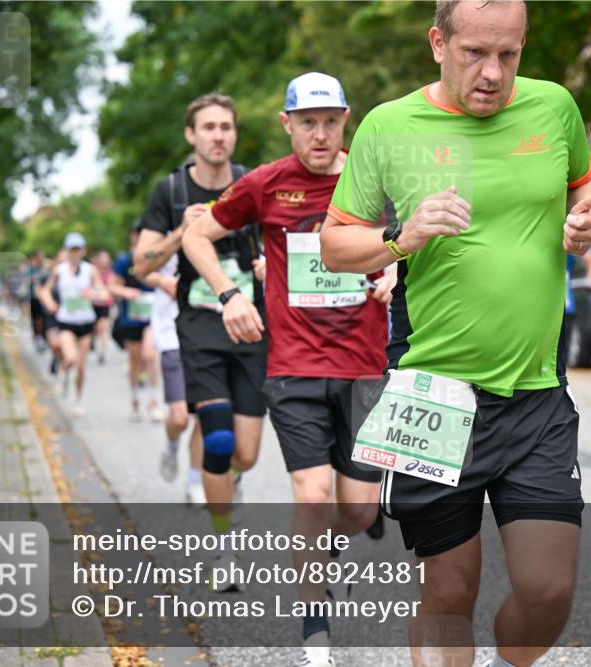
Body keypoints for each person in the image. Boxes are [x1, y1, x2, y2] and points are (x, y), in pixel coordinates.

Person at [319, 2, 591, 665]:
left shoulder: (554, 107)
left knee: (548, 588)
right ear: (438, 43)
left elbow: (586, 183)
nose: (493, 73)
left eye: (509, 54)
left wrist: (585, 218)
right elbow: (335, 245)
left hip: (535, 394)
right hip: (432, 396)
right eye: (475, 52)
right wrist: (401, 237)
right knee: (449, 591)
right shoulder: (389, 128)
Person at [184, 73, 393, 667]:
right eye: (307, 123)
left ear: (346, 119)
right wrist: (230, 295)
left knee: (357, 508)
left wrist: (396, 271)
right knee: (312, 490)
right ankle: (314, 628)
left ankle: (330, 555)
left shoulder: (373, 180)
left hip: (364, 367)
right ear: (287, 124)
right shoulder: (266, 184)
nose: (320, 135)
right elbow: (198, 237)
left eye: (330, 121)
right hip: (294, 366)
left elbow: (420, 242)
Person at [134, 94, 267, 540]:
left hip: (252, 327)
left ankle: (232, 479)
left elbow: (280, 243)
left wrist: (270, 263)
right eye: (208, 127)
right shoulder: (171, 191)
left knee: (245, 453)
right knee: (218, 439)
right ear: (191, 135)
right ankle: (223, 541)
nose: (218, 136)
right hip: (199, 327)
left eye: (226, 127)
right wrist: (180, 232)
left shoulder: (255, 183)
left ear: (234, 134)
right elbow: (141, 265)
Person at [141, 244, 207, 505]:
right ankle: (171, 447)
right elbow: (140, 268)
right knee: (180, 418)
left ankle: (194, 481)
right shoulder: (165, 230)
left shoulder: (216, 223)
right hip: (172, 337)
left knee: (205, 414)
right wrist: (160, 280)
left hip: (207, 337)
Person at [38, 234, 108, 417]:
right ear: (67, 251)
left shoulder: (90, 270)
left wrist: (93, 294)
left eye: (78, 249)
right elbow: (44, 290)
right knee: (71, 357)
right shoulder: (59, 271)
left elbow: (103, 292)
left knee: (82, 366)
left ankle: (78, 400)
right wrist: (50, 303)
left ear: (83, 250)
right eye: (72, 249)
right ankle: (63, 372)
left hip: (85, 321)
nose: (75, 253)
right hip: (66, 321)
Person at [110, 225, 161, 422]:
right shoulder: (124, 260)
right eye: (138, 237)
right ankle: (135, 401)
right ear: (132, 238)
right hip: (130, 318)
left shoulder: (157, 256)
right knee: (135, 361)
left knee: (150, 355)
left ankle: (154, 401)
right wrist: (126, 293)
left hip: (152, 315)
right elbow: (113, 286)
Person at [91, 250, 114, 365]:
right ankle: (93, 341)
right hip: (93, 304)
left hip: (105, 305)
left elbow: (112, 287)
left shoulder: (111, 273)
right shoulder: (94, 272)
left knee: (103, 328)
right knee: (96, 329)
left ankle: (101, 352)